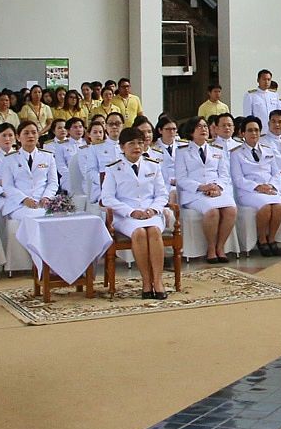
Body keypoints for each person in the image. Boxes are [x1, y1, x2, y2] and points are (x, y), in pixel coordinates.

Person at [101, 127, 171, 298]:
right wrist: (131, 212)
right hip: (125, 216)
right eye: (131, 143)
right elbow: (107, 198)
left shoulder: (153, 165)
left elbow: (162, 194)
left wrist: (153, 209)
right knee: (139, 233)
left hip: (151, 212)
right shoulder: (113, 168)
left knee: (153, 231)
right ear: (122, 147)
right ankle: (146, 282)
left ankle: (158, 280)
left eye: (140, 143)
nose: (136, 147)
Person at [177, 115, 235, 263]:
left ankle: (220, 247)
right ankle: (210, 248)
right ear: (191, 132)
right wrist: (201, 187)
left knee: (231, 209)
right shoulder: (182, 152)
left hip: (215, 190)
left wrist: (217, 187)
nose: (203, 129)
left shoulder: (217, 149)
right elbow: (182, 178)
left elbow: (224, 174)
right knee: (212, 212)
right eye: (198, 127)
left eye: (204, 126)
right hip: (195, 193)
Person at [231, 116, 281, 257]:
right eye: (250, 130)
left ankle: (272, 238)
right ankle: (262, 239)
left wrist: (271, 185)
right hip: (249, 191)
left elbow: (276, 173)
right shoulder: (236, 153)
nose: (254, 133)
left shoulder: (268, 150)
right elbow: (238, 179)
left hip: (269, 188)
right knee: (266, 207)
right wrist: (257, 187)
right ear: (242, 133)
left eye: (256, 130)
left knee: (278, 206)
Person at [0, 121, 59, 226]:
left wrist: (46, 197)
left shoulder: (48, 157)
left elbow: (53, 182)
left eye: (34, 132)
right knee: (33, 218)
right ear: (18, 137)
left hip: (42, 202)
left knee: (53, 218)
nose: (30, 136)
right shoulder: (9, 159)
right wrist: (24, 199)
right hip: (19, 204)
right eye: (26, 133)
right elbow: (7, 186)